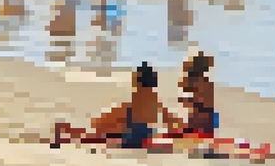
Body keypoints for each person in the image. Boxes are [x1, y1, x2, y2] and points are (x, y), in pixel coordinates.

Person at [53, 63, 181, 149]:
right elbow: (168, 119)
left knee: (99, 130)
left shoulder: (137, 96)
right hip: (146, 133)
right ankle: (69, 130)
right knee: (104, 129)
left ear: (138, 81)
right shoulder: (154, 99)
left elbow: (128, 112)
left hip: (132, 135)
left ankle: (68, 130)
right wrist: (178, 130)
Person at [179, 53, 217, 136]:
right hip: (207, 117)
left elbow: (199, 101)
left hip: (202, 118)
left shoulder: (200, 82)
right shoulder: (207, 82)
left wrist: (187, 101)